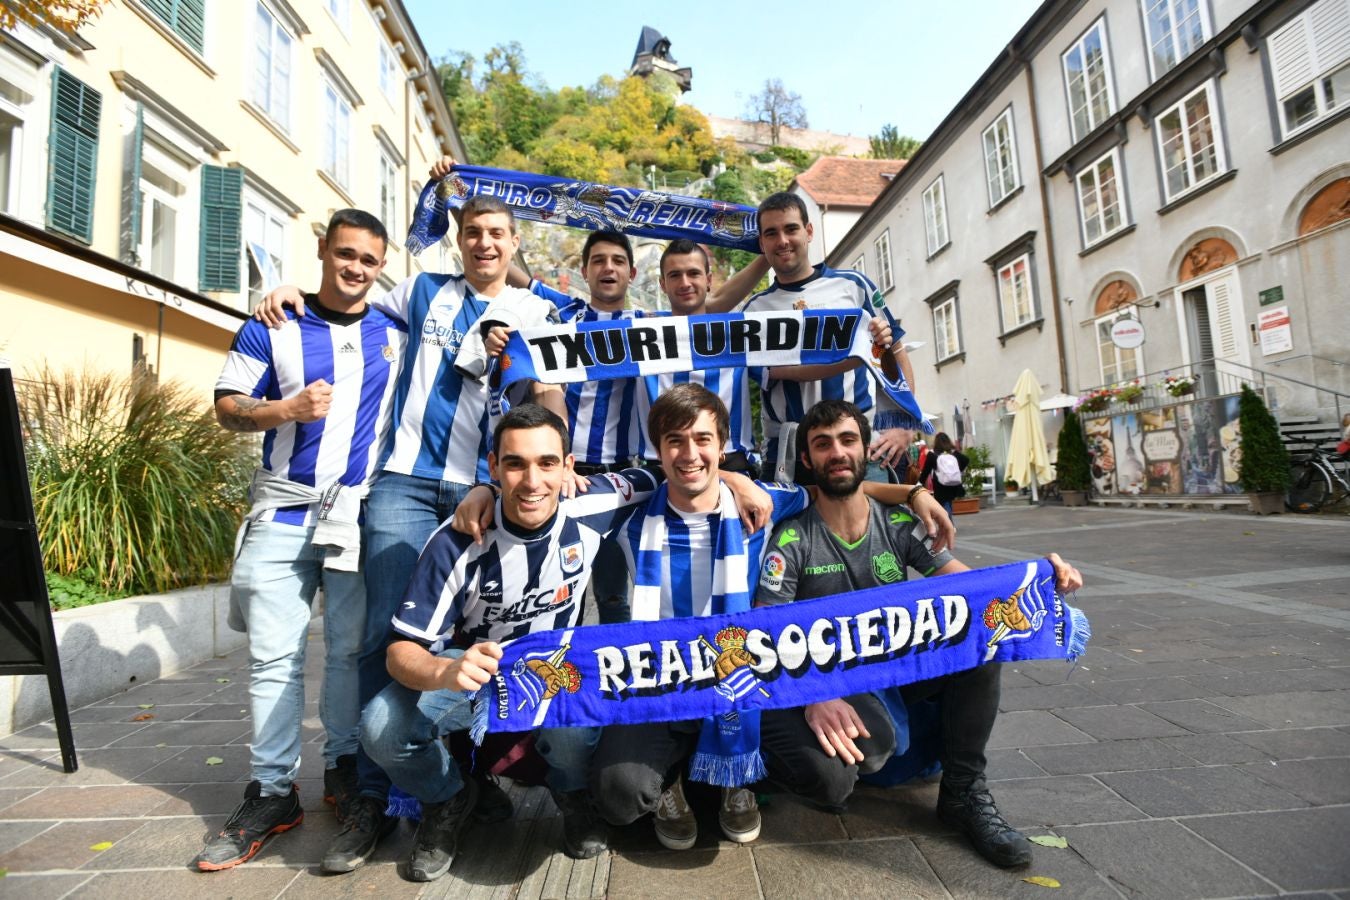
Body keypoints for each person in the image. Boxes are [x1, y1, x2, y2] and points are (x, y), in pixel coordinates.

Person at [252, 195, 566, 875]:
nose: (484, 244)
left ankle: (453, 779)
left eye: (496, 235)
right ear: (459, 240)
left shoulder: (539, 311)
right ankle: (373, 795)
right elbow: (347, 298)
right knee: (387, 639)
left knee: (485, 634)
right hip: (404, 482)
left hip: (489, 485)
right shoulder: (424, 290)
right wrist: (291, 293)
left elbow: (571, 376)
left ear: (515, 244)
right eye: (472, 233)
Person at [583, 385, 955, 851]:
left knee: (831, 780)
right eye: (674, 440)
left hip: (747, 678)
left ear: (722, 446)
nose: (689, 453)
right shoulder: (631, 517)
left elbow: (834, 487)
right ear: (658, 450)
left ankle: (740, 777)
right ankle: (671, 782)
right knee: (619, 797)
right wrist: (484, 491)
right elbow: (548, 498)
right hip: (665, 683)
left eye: (702, 440)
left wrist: (915, 492)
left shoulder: (764, 500)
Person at [755, 399, 1083, 869]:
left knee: (981, 642)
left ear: (866, 450)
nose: (837, 453)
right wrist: (814, 692)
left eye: (848, 441)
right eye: (822, 445)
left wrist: (1042, 578)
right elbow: (764, 633)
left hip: (894, 677)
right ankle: (776, 769)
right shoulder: (792, 539)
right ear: (808, 459)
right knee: (845, 776)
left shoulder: (898, 524)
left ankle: (964, 795)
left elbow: (974, 591)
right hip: (832, 685)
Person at [196, 210, 403, 871]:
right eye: (345, 254)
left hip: (355, 517)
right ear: (322, 249)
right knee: (274, 658)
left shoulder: (394, 328)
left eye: (369, 260)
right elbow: (226, 405)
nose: (355, 268)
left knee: (348, 652)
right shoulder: (274, 321)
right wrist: (283, 411)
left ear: (382, 264)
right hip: (283, 513)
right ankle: (272, 789)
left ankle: (342, 766)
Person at [741, 192, 917, 483]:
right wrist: (858, 354)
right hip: (789, 454)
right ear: (762, 243)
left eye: (791, 229)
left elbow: (895, 350)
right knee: (789, 531)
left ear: (809, 232)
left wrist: (905, 422)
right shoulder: (753, 310)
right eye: (771, 233)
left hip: (860, 445)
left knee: (873, 528)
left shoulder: (854, 285)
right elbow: (781, 373)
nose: (782, 240)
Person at [635, 239, 765, 477]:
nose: (685, 283)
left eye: (693, 273)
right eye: (675, 275)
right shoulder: (638, 333)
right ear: (663, 284)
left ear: (708, 279)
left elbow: (783, 371)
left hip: (731, 459)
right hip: (661, 467)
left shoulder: (739, 334)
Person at [919, 432, 968, 515]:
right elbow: (966, 460)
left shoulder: (932, 455)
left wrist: (919, 483)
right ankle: (948, 526)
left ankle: (949, 527)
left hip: (940, 486)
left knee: (945, 507)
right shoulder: (954, 453)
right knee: (948, 504)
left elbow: (925, 472)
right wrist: (956, 471)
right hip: (954, 485)